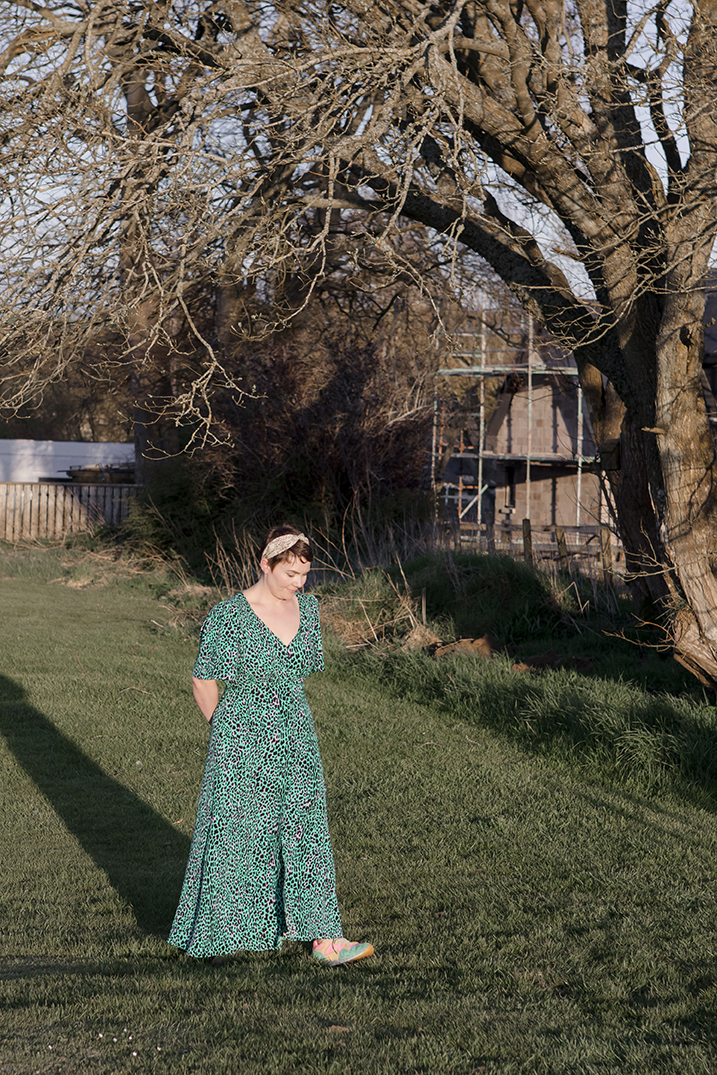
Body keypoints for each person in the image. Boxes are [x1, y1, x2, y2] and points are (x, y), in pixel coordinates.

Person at [168, 525, 374, 967]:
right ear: (265, 564)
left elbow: (296, 673)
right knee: (237, 830)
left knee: (305, 828)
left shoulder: (309, 610)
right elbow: (203, 680)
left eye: (305, 574)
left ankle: (325, 939)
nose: (299, 583)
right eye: (290, 574)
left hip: (296, 734)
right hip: (240, 734)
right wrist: (226, 732)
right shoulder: (229, 615)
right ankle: (220, 934)